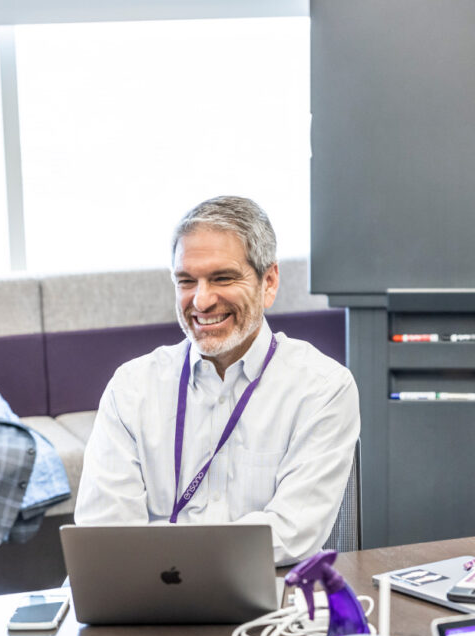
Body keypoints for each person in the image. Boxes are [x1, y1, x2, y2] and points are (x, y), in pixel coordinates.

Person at [75, 196, 360, 565]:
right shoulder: (131, 388)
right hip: (147, 592)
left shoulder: (323, 389)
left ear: (268, 282)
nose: (202, 300)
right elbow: (104, 532)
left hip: (265, 596)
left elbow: (292, 532)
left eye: (222, 278)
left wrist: (164, 549)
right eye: (186, 281)